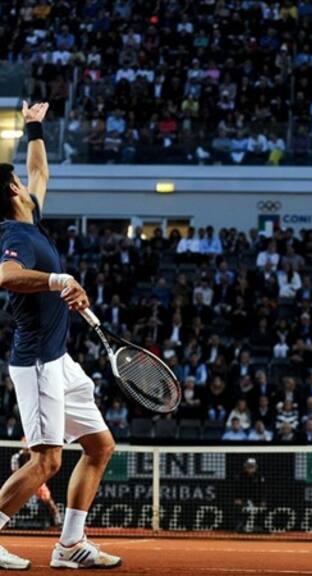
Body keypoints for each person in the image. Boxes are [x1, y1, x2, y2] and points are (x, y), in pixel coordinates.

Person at [0, 102, 120, 570]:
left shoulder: (31, 217)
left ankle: (70, 544)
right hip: (36, 362)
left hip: (59, 360)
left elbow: (40, 171)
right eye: (20, 180)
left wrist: (34, 127)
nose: (30, 182)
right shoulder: (16, 236)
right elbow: (7, 276)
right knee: (47, 460)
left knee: (100, 446)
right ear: (13, 190)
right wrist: (58, 279)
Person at [10, 439, 62, 528]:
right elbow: (15, 473)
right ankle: (7, 522)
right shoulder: (16, 457)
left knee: (48, 500)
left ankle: (58, 521)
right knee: (11, 500)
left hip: (37, 481)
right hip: (21, 483)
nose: (27, 447)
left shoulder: (36, 455)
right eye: (24, 444)